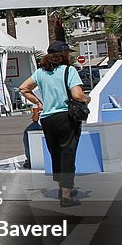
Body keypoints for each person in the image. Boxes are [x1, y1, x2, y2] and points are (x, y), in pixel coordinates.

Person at [18, 40, 91, 208]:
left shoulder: (41, 73)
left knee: (55, 153)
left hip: (47, 118)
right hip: (66, 117)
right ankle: (66, 195)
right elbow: (77, 95)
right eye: (68, 53)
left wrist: (39, 103)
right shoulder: (69, 70)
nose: (70, 55)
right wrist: (88, 98)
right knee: (68, 152)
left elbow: (23, 88)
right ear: (63, 55)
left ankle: (61, 187)